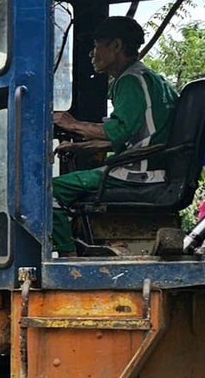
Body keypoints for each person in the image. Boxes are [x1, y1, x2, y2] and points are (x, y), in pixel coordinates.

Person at [49, 15, 178, 255]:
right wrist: (81, 147)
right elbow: (133, 137)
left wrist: (72, 123)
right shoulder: (151, 79)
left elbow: (119, 130)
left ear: (116, 46)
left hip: (138, 173)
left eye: (97, 46)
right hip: (151, 166)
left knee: (49, 191)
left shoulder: (129, 81)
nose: (92, 54)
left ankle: (68, 255)